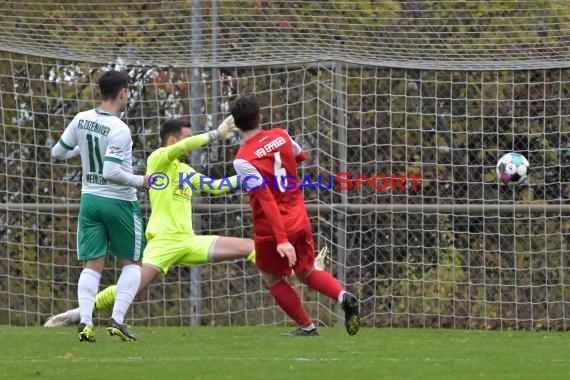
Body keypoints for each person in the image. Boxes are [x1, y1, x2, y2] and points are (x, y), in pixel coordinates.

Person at [45, 117, 256, 328]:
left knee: (250, 246)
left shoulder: (185, 171)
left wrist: (251, 176)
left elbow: (216, 186)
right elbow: (184, 146)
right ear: (173, 141)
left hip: (188, 242)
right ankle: (77, 313)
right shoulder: (158, 160)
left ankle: (283, 288)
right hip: (162, 243)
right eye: (188, 137)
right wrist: (215, 135)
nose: (190, 144)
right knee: (128, 290)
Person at [231, 94, 360, 336]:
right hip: (299, 218)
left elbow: (265, 197)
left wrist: (281, 240)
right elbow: (301, 156)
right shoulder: (281, 134)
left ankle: (307, 326)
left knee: (271, 277)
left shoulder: (243, 159)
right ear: (261, 117)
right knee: (307, 271)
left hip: (272, 227)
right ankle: (343, 296)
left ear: (236, 125)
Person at [51, 70, 151, 342]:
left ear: (99, 92)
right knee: (132, 263)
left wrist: (82, 151)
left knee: (92, 265)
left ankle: (85, 322)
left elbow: (57, 152)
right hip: (118, 201)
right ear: (122, 93)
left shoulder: (82, 119)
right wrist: (141, 180)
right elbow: (112, 171)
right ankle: (117, 319)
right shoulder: (119, 128)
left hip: (90, 200)